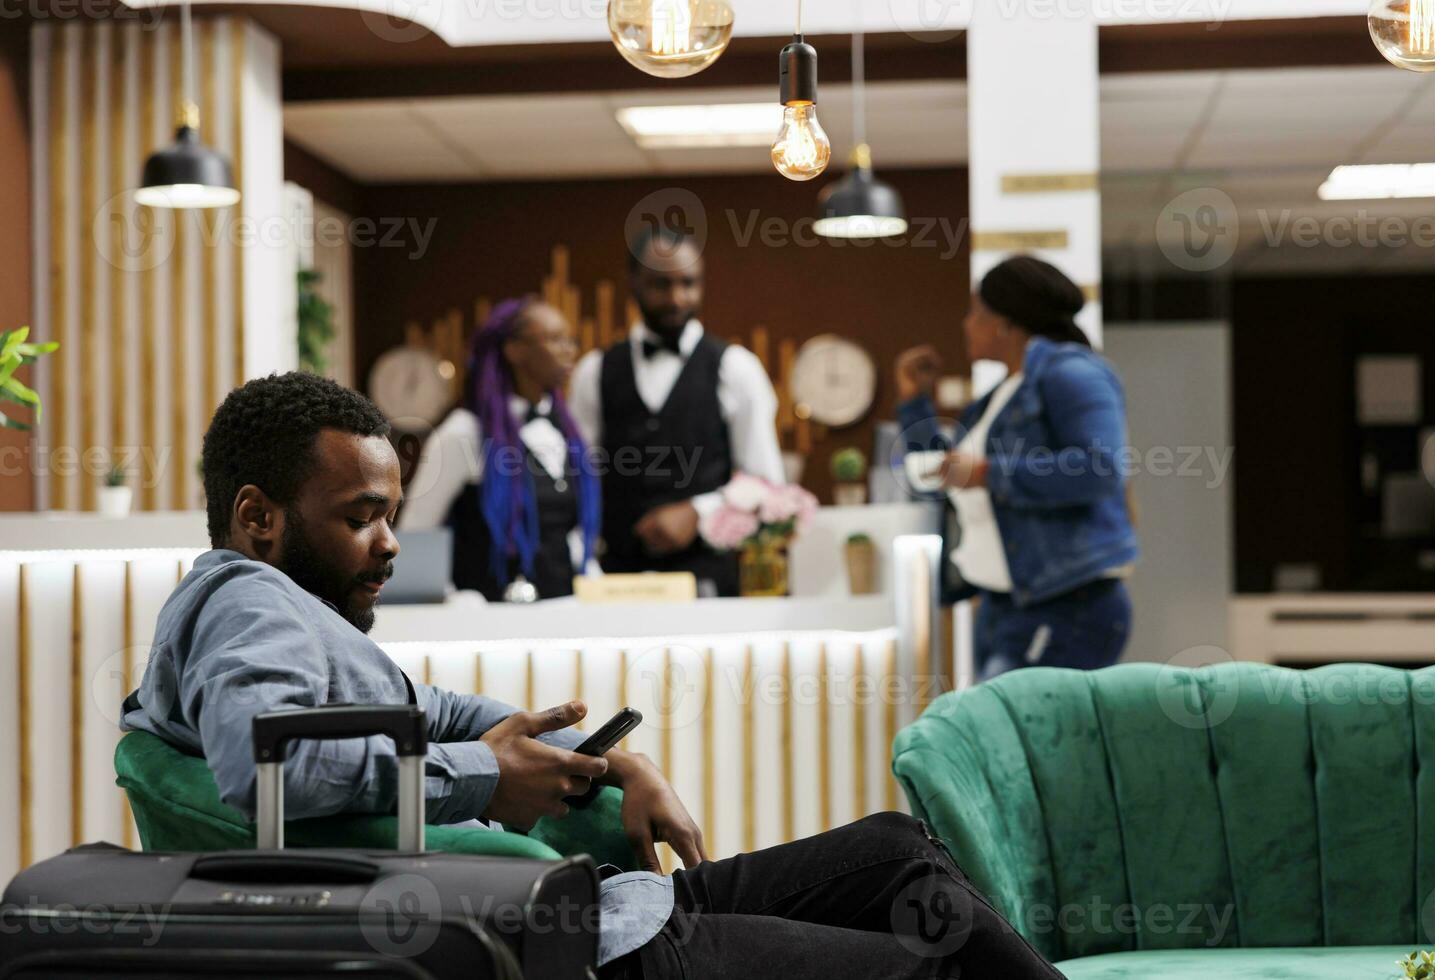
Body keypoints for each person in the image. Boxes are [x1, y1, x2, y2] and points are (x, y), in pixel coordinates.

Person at [122, 372, 1065, 980]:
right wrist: (489, 774)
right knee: (925, 951)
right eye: (361, 516)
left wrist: (609, 763)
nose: (391, 543)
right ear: (258, 518)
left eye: (392, 513)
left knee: (897, 850)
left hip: (610, 906)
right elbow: (267, 770)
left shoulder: (288, 615)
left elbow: (441, 709)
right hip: (580, 942)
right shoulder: (249, 604)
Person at [897, 255, 1137, 679]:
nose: (966, 324)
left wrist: (990, 473)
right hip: (1005, 606)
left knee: (1027, 743)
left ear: (1005, 324)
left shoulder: (1072, 374)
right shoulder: (998, 398)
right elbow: (949, 476)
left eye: (975, 313)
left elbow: (1100, 468)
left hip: (1065, 605)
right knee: (1004, 741)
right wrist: (916, 402)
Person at [569, 228, 784, 597]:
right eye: (660, 285)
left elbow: (765, 482)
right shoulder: (594, 371)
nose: (677, 298)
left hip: (709, 580)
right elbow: (579, 477)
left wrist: (699, 511)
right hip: (615, 581)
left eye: (689, 283)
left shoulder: (735, 367)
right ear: (633, 282)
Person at [398, 297, 598, 601]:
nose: (570, 351)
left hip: (561, 616)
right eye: (556, 340)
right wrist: (452, 601)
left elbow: (568, 533)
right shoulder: (465, 432)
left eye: (571, 340)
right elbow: (415, 535)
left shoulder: (564, 431)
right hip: (486, 620)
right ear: (515, 350)